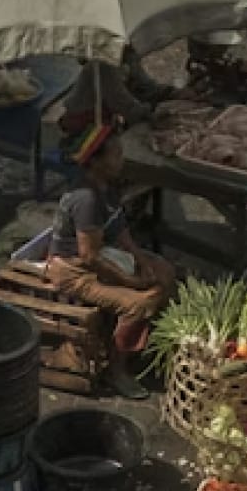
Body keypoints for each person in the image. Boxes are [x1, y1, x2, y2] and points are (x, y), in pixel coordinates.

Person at [45, 119, 174, 399]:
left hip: (100, 256)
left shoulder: (106, 187)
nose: (121, 159)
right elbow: (88, 257)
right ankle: (118, 369)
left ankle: (139, 344)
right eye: (115, 154)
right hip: (72, 271)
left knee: (164, 272)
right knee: (140, 303)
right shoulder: (86, 198)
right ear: (95, 162)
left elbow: (120, 231)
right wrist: (130, 281)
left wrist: (142, 260)